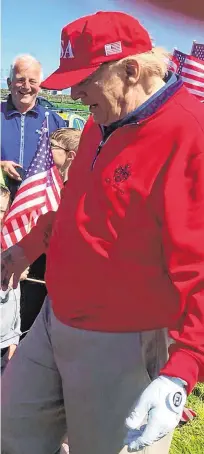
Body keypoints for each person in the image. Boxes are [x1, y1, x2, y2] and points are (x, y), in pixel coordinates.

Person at [1, 11, 204, 454]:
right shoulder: (100, 122)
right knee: (12, 430)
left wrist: (185, 366)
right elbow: (74, 209)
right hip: (55, 318)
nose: (74, 93)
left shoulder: (188, 136)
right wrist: (25, 248)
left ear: (130, 70)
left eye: (84, 79)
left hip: (123, 342)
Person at [1, 54, 67, 334]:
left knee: (35, 276)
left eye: (32, 81)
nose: (26, 86)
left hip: (40, 212)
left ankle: (26, 335)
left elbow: (66, 165)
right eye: (20, 80)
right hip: (4, 209)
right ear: (9, 82)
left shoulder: (54, 120)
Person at [0, 185, 28, 371]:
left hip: (5, 341)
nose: (1, 216)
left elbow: (15, 298)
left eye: (3, 210)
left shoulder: (8, 240)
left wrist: (14, 338)